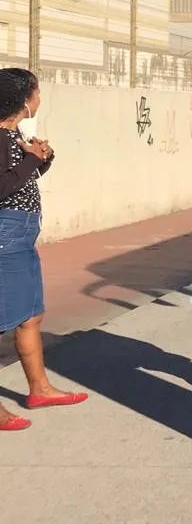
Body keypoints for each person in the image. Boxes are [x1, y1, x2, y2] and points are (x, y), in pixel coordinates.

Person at [0, 68, 88, 432]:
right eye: (36, 93)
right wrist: (33, 160)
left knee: (31, 314)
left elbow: (19, 179)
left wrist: (40, 158)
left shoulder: (12, 135)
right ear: (23, 99)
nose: (39, 99)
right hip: (5, 235)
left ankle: (40, 388)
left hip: (20, 235)